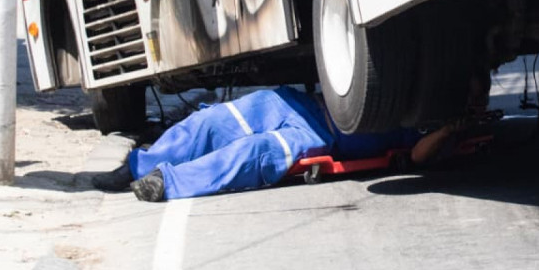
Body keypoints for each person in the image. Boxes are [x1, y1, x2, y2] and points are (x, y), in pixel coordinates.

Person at [91, 86, 429, 202]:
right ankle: (137, 166)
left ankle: (169, 183)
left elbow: (416, 156)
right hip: (299, 103)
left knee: (252, 154)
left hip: (318, 137)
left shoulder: (430, 126)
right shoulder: (410, 74)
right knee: (211, 122)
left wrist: (451, 130)